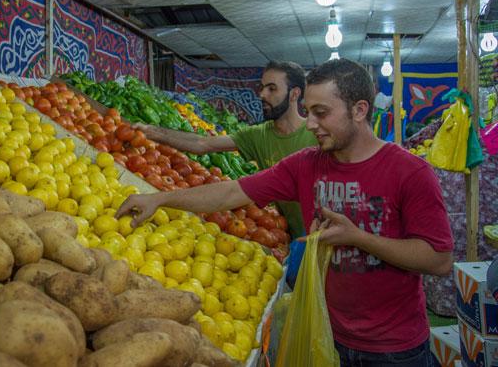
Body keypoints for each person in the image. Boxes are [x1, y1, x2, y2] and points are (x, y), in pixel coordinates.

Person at [117, 58, 454, 366]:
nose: (311, 124)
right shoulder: (305, 165)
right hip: (324, 336)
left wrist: (359, 238)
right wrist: (161, 199)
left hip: (394, 349)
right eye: (308, 112)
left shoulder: (410, 172)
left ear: (360, 110)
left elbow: (439, 260)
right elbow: (232, 192)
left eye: (321, 113)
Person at [133, 61, 317, 239]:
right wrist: (154, 133)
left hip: (325, 234)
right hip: (296, 238)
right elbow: (203, 144)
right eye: (261, 88)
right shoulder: (259, 135)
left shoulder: (317, 135)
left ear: (294, 94)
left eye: (272, 88)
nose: (262, 94)